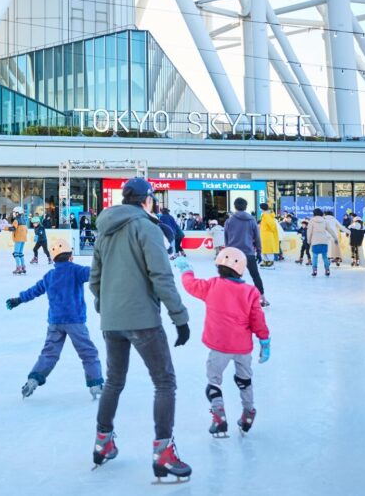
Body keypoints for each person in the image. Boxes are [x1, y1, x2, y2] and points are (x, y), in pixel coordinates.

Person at [88, 177, 191, 481]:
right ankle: (164, 454)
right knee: (164, 382)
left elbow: (95, 278)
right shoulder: (148, 227)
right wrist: (180, 317)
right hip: (143, 320)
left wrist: (104, 305)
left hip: (112, 321)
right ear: (147, 200)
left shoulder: (104, 230)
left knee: (114, 381)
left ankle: (102, 442)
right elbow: (161, 276)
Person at [173, 248, 270, 437]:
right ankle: (248, 413)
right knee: (244, 381)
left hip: (219, 347)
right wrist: (265, 341)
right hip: (242, 348)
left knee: (214, 381)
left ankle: (219, 417)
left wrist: (186, 270)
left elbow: (190, 285)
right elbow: (258, 319)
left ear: (218, 266)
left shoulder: (212, 285)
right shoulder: (251, 291)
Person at [6, 238, 104, 400]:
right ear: (70, 255)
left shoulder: (49, 276)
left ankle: (33, 379)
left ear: (53, 258)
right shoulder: (76, 271)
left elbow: (34, 290)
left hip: (55, 322)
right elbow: (95, 273)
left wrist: (18, 299)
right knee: (88, 352)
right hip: (74, 321)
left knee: (49, 353)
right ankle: (95, 383)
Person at [224, 198, 269, 307]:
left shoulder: (229, 221)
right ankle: (262, 298)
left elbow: (226, 238)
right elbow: (257, 237)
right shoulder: (252, 220)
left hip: (234, 253)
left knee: (233, 277)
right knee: (255, 275)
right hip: (248, 253)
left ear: (235, 206)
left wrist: (228, 251)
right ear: (245, 206)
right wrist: (259, 252)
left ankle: (232, 300)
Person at [306, 209, 337, 277]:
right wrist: (335, 237)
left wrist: (308, 241)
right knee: (325, 257)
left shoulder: (312, 221)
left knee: (315, 256)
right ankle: (327, 270)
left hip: (315, 241)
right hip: (324, 241)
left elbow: (309, 232)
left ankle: (314, 270)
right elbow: (330, 230)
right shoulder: (324, 221)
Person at [9, 206, 29, 275]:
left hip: (18, 239)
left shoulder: (16, 220)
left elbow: (13, 229)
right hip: (23, 239)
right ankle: (23, 267)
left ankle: (18, 268)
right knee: (20, 253)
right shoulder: (24, 220)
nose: (13, 213)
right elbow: (26, 230)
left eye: (14, 212)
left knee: (16, 254)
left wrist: (5, 228)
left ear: (17, 213)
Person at [258, 203, 279, 267]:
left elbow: (272, 225)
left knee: (268, 249)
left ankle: (270, 261)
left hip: (267, 235)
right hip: (264, 235)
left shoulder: (266, 215)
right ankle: (265, 261)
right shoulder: (264, 215)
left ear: (262, 208)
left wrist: (269, 231)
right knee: (264, 249)